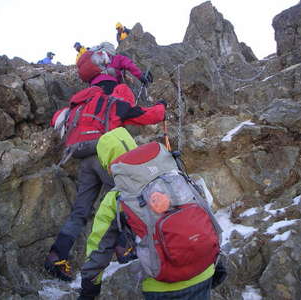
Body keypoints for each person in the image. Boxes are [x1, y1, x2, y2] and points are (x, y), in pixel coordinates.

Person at [78, 127, 225, 300]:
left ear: (107, 163)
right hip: (204, 271)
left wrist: (89, 289)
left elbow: (99, 248)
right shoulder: (172, 176)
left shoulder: (116, 198)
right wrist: (217, 260)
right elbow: (201, 214)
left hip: (163, 285)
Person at [44, 83, 167, 282]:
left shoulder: (83, 104)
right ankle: (122, 248)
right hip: (104, 155)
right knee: (121, 199)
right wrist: (162, 107)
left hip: (82, 156)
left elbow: (59, 117)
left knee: (80, 211)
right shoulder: (116, 103)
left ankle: (56, 256)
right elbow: (150, 115)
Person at [77, 42, 152, 95]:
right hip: (110, 84)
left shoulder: (96, 60)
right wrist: (141, 76)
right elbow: (129, 65)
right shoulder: (116, 58)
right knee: (113, 109)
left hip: (93, 87)